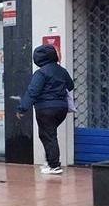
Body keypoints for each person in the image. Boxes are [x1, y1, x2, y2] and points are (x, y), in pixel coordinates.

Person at [17, 44, 74, 175]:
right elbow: (70, 85)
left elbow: (32, 92)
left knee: (48, 135)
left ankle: (54, 165)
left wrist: (22, 108)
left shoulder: (41, 73)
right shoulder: (62, 70)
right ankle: (50, 161)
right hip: (62, 108)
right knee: (50, 134)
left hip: (46, 109)